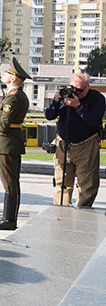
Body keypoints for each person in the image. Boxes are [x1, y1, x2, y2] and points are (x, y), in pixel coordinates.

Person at [0, 57, 31, 231]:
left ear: (14, 78)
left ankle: (9, 220)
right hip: (8, 142)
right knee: (10, 182)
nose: (5, 75)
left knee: (10, 183)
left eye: (8, 73)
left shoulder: (13, 98)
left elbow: (3, 125)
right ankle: (7, 217)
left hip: (8, 145)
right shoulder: (15, 95)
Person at [44, 72, 105, 207]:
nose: (76, 93)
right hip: (63, 144)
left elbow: (94, 121)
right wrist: (56, 101)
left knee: (87, 185)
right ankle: (61, 212)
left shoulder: (96, 98)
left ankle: (82, 213)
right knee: (62, 183)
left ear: (88, 87)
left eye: (80, 90)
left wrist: (78, 107)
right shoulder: (64, 96)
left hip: (87, 145)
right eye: (73, 89)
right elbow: (49, 115)